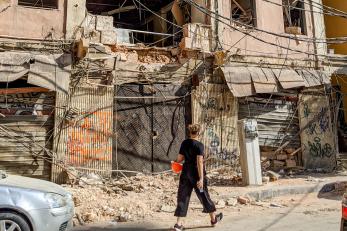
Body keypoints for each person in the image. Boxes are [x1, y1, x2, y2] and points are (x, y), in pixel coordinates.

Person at [172, 124, 223, 231]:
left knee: (183, 196)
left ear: (190, 132)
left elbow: (180, 159)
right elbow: (200, 162)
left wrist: (174, 164)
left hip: (186, 173)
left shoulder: (184, 143)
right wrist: (201, 178)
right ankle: (213, 220)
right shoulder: (199, 145)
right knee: (203, 195)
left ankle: (178, 224)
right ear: (199, 133)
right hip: (196, 174)